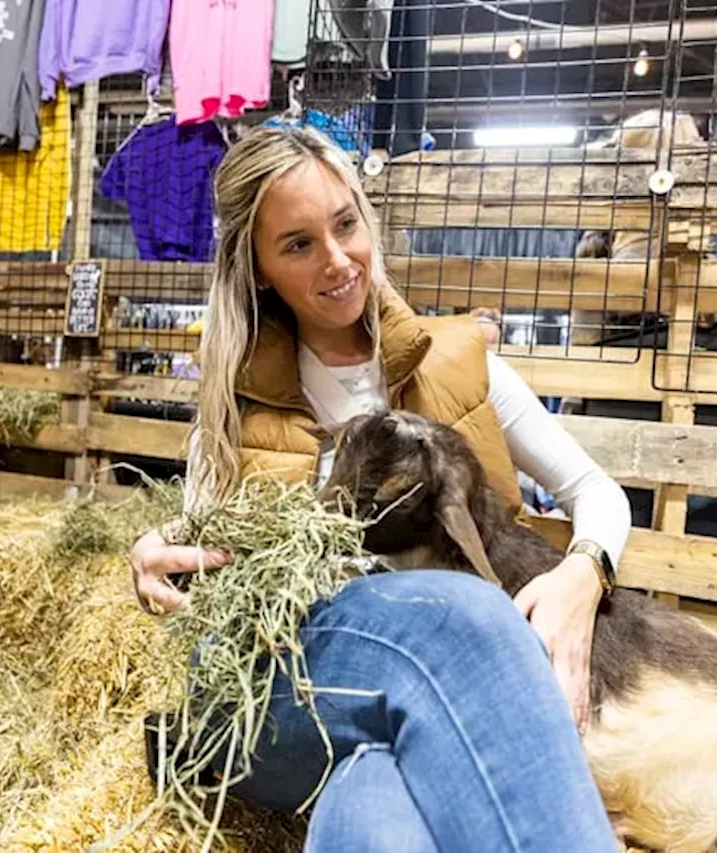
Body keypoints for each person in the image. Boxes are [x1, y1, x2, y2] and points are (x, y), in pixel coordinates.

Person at [130, 126, 631, 851]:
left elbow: (598, 493)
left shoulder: (458, 362)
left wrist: (584, 573)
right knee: (465, 616)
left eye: (345, 225)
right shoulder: (236, 403)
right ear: (260, 267)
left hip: (409, 704)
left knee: (379, 794)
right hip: (286, 694)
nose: (337, 260)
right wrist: (151, 560)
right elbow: (204, 579)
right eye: (298, 244)